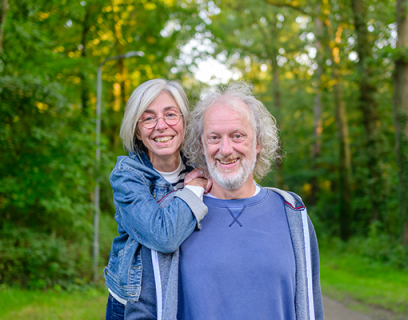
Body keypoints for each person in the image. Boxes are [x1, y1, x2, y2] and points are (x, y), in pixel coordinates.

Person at [176, 81, 324, 320]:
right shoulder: (178, 215)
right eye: (214, 137)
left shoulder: (292, 213)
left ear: (258, 143)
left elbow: (312, 308)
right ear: (202, 146)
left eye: (237, 136)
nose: (226, 149)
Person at [104, 79, 209, 320]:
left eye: (171, 114)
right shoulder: (127, 176)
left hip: (188, 298)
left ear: (183, 121)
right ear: (137, 131)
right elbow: (164, 236)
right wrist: (194, 190)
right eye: (148, 118)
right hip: (137, 305)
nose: (161, 126)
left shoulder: (202, 166)